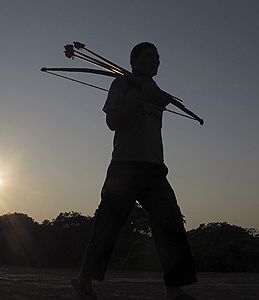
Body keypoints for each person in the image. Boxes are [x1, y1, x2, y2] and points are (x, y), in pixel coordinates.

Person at [71, 42, 198, 300]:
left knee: (170, 223)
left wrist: (160, 98)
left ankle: (174, 288)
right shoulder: (121, 85)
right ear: (134, 61)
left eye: (158, 58)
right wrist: (141, 97)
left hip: (154, 168)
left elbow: (158, 108)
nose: (156, 61)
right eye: (150, 56)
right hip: (124, 166)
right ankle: (84, 280)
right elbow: (112, 122)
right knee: (108, 224)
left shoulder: (156, 90)